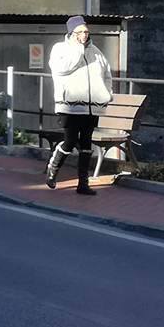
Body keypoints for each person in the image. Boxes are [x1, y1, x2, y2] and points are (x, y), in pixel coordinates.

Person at [47, 15, 112, 194]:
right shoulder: (60, 49)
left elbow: (107, 74)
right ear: (71, 33)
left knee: (86, 144)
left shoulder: (96, 51)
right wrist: (78, 49)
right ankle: (53, 169)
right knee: (69, 142)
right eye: (80, 32)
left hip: (92, 106)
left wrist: (107, 93)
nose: (84, 35)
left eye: (86, 31)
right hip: (70, 105)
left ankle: (83, 184)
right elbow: (62, 69)